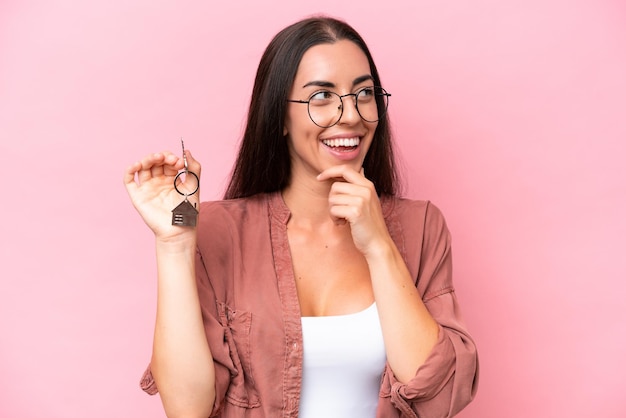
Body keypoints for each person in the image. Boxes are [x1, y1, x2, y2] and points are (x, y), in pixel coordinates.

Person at [123, 16, 478, 418]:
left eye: (364, 93)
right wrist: (175, 243)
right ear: (279, 118)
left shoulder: (421, 227)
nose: (351, 115)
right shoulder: (216, 230)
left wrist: (379, 246)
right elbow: (189, 409)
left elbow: (437, 397)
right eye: (322, 96)